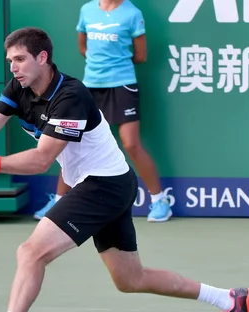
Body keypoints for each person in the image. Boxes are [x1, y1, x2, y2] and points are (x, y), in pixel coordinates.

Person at [0, 27, 249, 312]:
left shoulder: (71, 96)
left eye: (20, 60)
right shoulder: (18, 89)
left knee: (30, 252)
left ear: (42, 58)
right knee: (130, 279)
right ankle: (230, 300)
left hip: (104, 186)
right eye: (10, 62)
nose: (14, 68)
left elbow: (41, 160)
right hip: (104, 185)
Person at [34, 0, 172, 223]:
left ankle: (159, 201)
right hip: (91, 87)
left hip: (123, 85)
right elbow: (83, 47)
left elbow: (141, 55)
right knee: (72, 144)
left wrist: (115, 64)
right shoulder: (87, 10)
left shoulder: (132, 14)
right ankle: (59, 201)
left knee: (130, 143)